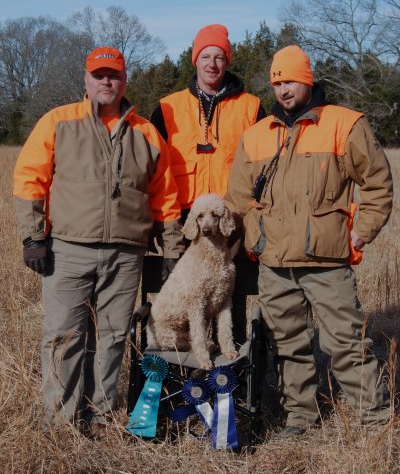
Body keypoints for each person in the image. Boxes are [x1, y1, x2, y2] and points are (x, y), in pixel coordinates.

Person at [13, 46, 184, 437]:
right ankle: (59, 424)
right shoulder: (58, 122)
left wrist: (172, 248)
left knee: (112, 338)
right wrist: (33, 236)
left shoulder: (146, 133)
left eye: (114, 75)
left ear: (125, 80)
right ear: (86, 79)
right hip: (68, 250)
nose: (106, 81)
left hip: (127, 253)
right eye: (99, 74)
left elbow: (165, 195)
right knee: (63, 336)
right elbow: (28, 180)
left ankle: (100, 419)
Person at [225, 45, 393, 436]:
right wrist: (256, 237)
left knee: (347, 344)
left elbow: (378, 185)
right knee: (288, 345)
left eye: (291, 81)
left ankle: (375, 420)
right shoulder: (257, 135)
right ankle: (300, 418)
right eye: (277, 82)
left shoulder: (344, 124)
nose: (283, 89)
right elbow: (238, 199)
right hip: (274, 265)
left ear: (308, 79)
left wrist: (361, 230)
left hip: (327, 262)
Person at [151, 23, 266, 223]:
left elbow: (266, 167)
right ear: (195, 61)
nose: (211, 64)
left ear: (227, 62)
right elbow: (152, 170)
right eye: (205, 57)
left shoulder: (252, 107)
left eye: (219, 57)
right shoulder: (167, 108)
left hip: (234, 216)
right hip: (182, 217)